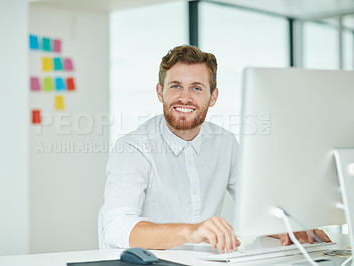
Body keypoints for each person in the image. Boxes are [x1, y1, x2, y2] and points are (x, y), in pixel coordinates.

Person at [101, 45, 331, 253]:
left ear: (213, 97)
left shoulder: (225, 142)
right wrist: (191, 231)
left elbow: (257, 208)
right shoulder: (133, 147)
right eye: (175, 86)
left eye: (197, 88)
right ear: (160, 92)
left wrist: (287, 227)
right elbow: (115, 227)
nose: (185, 97)